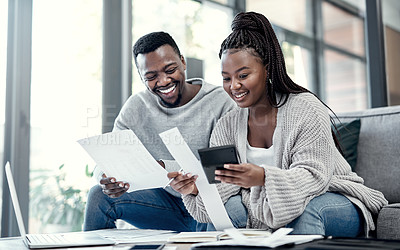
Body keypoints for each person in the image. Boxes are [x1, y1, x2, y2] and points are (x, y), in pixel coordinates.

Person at [169, 12, 388, 237]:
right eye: (226, 78)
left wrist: (264, 177)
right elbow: (225, 182)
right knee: (227, 212)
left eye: (243, 75)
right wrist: (196, 189)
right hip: (262, 203)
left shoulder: (305, 108)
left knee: (305, 213)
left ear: (267, 69)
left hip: (332, 198)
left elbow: (314, 177)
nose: (234, 86)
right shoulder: (227, 124)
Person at [83, 31, 237, 232]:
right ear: (141, 77)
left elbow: (226, 169)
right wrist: (106, 178)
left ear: (183, 62)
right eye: (151, 76)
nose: (163, 81)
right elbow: (107, 160)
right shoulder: (136, 106)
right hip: (164, 207)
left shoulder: (219, 102)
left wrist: (165, 167)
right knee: (98, 195)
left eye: (170, 70)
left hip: (206, 204)